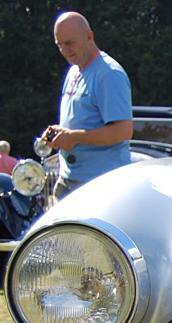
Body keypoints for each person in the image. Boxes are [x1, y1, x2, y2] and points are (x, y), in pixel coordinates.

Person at [45, 12, 132, 201]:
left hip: (101, 183)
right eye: (59, 45)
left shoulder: (109, 74)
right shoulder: (73, 71)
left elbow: (123, 131)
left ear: (89, 36)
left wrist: (74, 137)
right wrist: (60, 134)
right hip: (68, 178)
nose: (64, 50)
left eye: (69, 43)